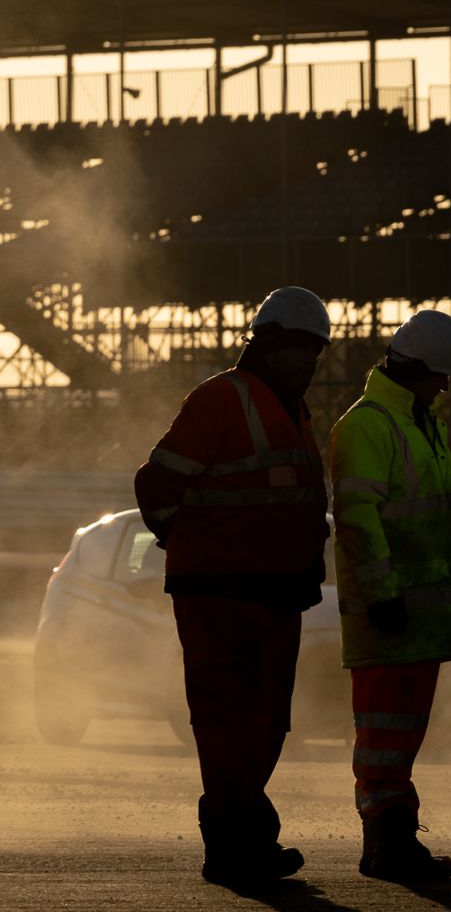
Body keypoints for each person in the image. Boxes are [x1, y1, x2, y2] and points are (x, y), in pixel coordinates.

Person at [133, 286, 332, 886]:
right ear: (268, 344)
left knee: (267, 721)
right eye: (299, 348)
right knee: (228, 720)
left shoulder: (294, 409)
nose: (309, 362)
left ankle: (244, 834)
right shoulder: (220, 399)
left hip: (277, 590)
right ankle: (233, 846)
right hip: (220, 592)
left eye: (315, 351)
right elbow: (155, 486)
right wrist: (194, 545)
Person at [328, 310, 451, 881]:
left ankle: (391, 840)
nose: (446, 387)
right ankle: (389, 842)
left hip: (418, 620)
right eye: (440, 376)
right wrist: (381, 593)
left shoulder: (420, 424)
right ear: (416, 367)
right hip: (389, 616)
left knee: (402, 735)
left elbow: (412, 510)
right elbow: (356, 517)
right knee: (383, 738)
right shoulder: (368, 425)